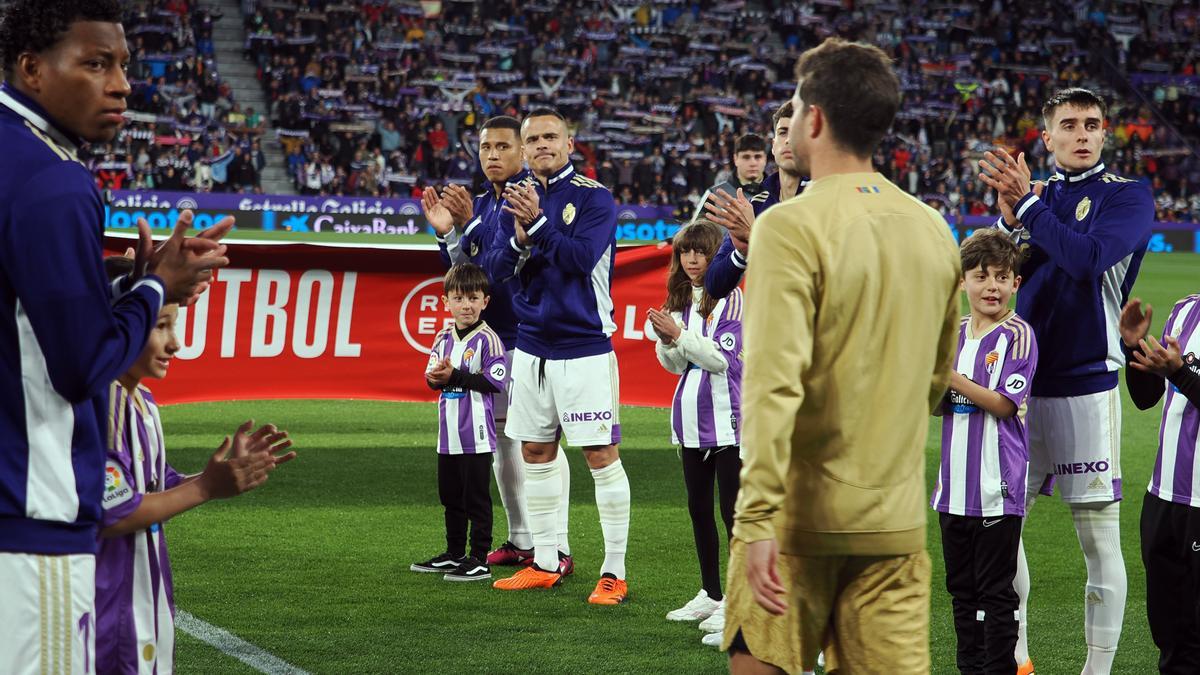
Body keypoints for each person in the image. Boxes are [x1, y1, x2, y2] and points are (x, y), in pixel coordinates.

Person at [0, 2, 229, 671]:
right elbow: (79, 367)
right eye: (97, 63)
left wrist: (126, 296)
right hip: (30, 528)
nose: (123, 84)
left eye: (124, 64)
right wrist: (160, 288)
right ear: (33, 70)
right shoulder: (50, 177)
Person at [725, 38, 961, 674]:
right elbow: (936, 378)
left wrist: (755, 521)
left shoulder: (789, 224)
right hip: (894, 524)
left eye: (797, 105)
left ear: (816, 119)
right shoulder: (934, 228)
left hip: (796, 526)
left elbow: (774, 385)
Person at [978, 87, 1155, 674]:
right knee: (1005, 529)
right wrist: (1008, 220)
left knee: (1098, 538)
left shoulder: (1127, 196)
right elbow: (993, 275)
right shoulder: (1032, 200)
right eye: (1069, 124)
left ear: (1105, 134)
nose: (1083, 133)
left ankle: (1097, 668)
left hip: (1087, 384)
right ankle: (1019, 657)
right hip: (1017, 390)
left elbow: (1085, 259)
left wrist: (1026, 210)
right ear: (1046, 138)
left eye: (1093, 124)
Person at [94, 257, 294, 674]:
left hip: (145, 601)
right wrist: (205, 487)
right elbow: (112, 512)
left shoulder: (142, 401)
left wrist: (220, 475)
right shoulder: (104, 402)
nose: (176, 343)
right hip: (107, 608)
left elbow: (154, 484)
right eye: (160, 326)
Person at [485, 108, 630, 605]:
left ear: (570, 144)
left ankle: (615, 571)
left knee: (599, 455)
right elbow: (495, 266)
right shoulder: (516, 199)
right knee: (536, 452)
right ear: (524, 150)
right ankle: (546, 561)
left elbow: (577, 259)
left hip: (584, 346)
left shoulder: (595, 198)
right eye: (533, 139)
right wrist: (521, 238)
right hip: (530, 347)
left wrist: (538, 224)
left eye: (552, 137)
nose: (542, 145)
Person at [422, 115, 574, 575]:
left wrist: (465, 227)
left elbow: (500, 265)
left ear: (522, 152)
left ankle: (558, 545)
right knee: (504, 445)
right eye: (486, 147)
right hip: (494, 339)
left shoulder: (526, 198)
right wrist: (450, 234)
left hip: (529, 336)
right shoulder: (486, 200)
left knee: (538, 441)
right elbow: (470, 274)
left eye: (503, 147)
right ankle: (522, 538)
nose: (492, 155)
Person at [931, 230, 1038, 674]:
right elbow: (935, 406)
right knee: (961, 590)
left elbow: (1004, 403)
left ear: (1016, 283)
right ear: (962, 282)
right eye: (980, 276)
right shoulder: (952, 334)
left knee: (996, 592)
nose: (991, 286)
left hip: (997, 486)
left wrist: (950, 378)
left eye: (1001, 277)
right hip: (953, 488)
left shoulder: (1018, 335)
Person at [647, 220, 743, 646]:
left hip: (729, 420)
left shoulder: (733, 299)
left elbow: (724, 361)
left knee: (733, 514)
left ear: (715, 255)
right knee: (699, 508)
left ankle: (740, 602)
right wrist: (667, 342)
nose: (691, 259)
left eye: (700, 252)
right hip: (689, 418)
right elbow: (673, 365)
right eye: (685, 252)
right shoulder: (680, 298)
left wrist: (679, 335)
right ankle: (712, 592)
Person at [410, 263, 508, 582]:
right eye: (459, 298)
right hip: (448, 433)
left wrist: (455, 375)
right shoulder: (442, 338)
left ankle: (479, 557)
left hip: (477, 433)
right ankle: (454, 554)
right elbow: (431, 379)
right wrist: (438, 378)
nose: (466, 305)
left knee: (475, 497)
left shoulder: (489, 339)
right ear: (446, 302)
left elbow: (496, 381)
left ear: (485, 302)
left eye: (473, 298)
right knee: (450, 496)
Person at [1118, 294, 1200, 673]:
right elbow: (1147, 397)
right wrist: (1133, 346)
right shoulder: (1185, 310)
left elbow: (1178, 377)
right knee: (1169, 638)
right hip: (1163, 496)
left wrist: (1181, 372)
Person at [702, 102, 807, 299]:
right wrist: (741, 253)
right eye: (783, 132)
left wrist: (755, 237)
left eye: (798, 132)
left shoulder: (825, 199)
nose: (789, 140)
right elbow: (713, 285)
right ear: (773, 146)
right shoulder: (756, 205)